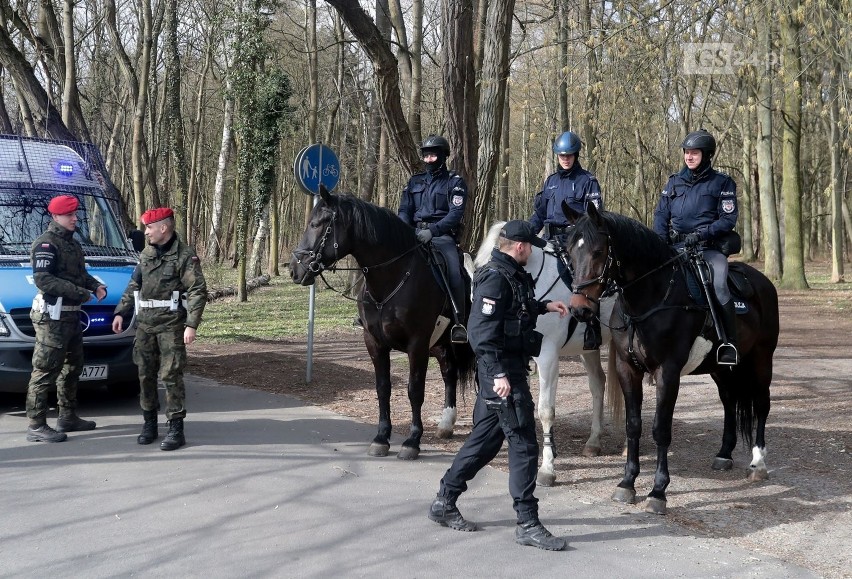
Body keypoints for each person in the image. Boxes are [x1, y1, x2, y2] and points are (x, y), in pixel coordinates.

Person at [428, 220, 569, 551]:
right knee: (524, 445)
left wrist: (545, 306)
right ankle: (528, 523)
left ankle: (444, 502)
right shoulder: (495, 276)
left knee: (485, 444)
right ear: (518, 246)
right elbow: (480, 332)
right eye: (530, 246)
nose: (532, 250)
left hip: (508, 371)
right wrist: (497, 376)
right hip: (504, 376)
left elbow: (515, 311)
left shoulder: (511, 274)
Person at [112, 207, 207, 450]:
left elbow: (197, 290)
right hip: (145, 325)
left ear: (163, 228)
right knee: (145, 375)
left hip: (171, 326)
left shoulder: (185, 256)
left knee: (171, 375)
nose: (146, 232)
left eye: (149, 227)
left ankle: (176, 428)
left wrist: (191, 325)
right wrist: (121, 313)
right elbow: (134, 284)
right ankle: (149, 424)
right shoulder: (146, 254)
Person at [653, 128, 739, 365]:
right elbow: (661, 214)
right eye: (687, 152)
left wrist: (701, 234)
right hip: (676, 247)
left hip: (708, 249)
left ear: (707, 155)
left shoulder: (722, 182)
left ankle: (728, 341)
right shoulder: (674, 182)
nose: (689, 157)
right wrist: (660, 241)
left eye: (694, 153)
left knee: (719, 286)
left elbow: (728, 219)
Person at [24, 195, 107, 443]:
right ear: (56, 216)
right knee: (45, 370)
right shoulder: (46, 245)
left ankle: (68, 416)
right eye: (69, 215)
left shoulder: (73, 244)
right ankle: (36, 425)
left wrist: (95, 286)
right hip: (52, 319)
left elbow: (80, 274)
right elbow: (44, 280)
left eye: (75, 214)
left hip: (71, 319)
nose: (75, 219)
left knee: (72, 369)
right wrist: (81, 293)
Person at [529, 130, 603, 350]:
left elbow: (594, 216)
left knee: (582, 276)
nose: (565, 158)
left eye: (569, 155)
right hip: (549, 237)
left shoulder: (587, 181)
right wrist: (526, 232)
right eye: (562, 155)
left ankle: (592, 326)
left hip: (576, 239)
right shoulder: (550, 182)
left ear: (576, 155)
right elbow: (539, 215)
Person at [397, 135, 469, 343]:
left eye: (433, 155)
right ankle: (372, 311)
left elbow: (455, 214)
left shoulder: (454, 183)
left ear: (443, 156)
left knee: (455, 272)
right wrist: (405, 229)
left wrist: (434, 231)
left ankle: (458, 321)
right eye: (426, 155)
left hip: (441, 237)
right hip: (412, 235)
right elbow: (404, 209)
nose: (429, 159)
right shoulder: (414, 182)